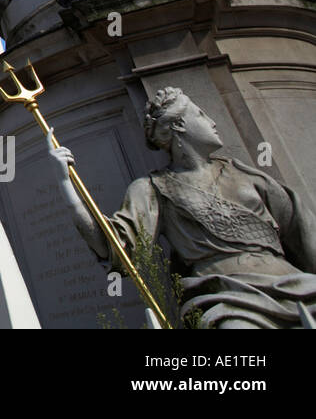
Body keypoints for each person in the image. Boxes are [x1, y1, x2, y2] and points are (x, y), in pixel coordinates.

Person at [49, 86, 316, 328]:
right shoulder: (153, 188)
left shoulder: (247, 176)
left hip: (300, 286)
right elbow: (117, 248)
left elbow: (304, 232)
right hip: (228, 299)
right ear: (179, 126)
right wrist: (66, 185)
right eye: (200, 114)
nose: (212, 122)